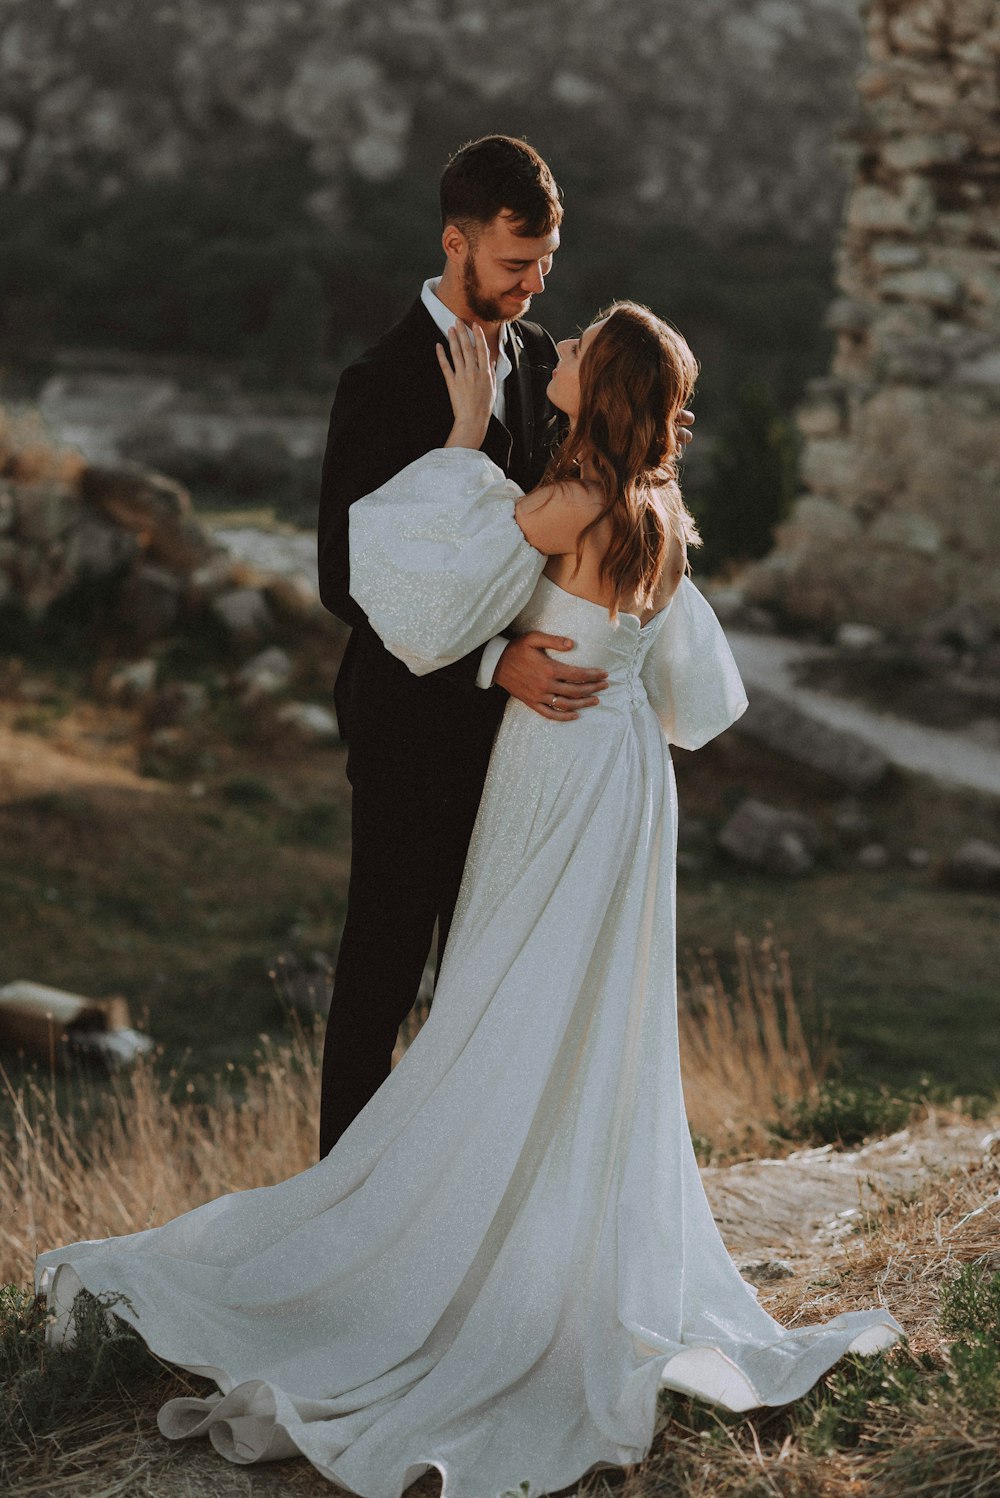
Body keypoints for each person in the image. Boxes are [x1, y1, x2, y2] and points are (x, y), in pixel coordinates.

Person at [35, 300, 902, 1498]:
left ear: (599, 389)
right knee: (571, 1012)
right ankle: (550, 1228)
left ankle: (453, 1252)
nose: (567, 344)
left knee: (501, 999)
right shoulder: (653, 504)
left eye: (585, 346)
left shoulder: (572, 500)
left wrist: (463, 428)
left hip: (555, 774)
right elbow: (682, 686)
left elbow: (418, 557)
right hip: (622, 782)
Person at [315, 134, 694, 1155]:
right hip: (416, 731)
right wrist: (493, 662)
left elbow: (559, 551)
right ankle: (344, 1211)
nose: (534, 287)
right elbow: (346, 577)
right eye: (515, 263)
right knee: (384, 979)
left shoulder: (546, 365)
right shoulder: (380, 382)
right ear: (456, 241)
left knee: (488, 985)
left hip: (535, 752)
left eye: (547, 266)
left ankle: (452, 1209)